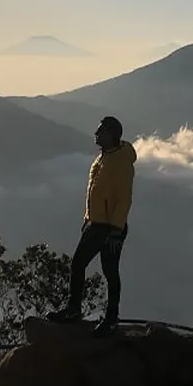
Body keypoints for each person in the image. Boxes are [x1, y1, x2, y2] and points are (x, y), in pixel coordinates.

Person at [47, 115, 136, 337]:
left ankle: (109, 318)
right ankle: (74, 310)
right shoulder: (105, 157)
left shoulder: (120, 162)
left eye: (100, 131)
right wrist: (88, 218)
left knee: (108, 271)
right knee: (80, 265)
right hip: (96, 223)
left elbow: (124, 198)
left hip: (108, 227)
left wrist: (116, 230)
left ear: (111, 135)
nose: (96, 134)